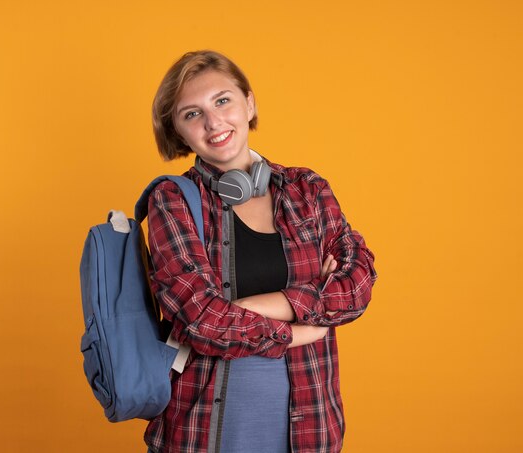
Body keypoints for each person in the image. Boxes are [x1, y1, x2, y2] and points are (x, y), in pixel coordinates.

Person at [144, 50, 377, 453]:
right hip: (202, 434)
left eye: (222, 100)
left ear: (248, 103)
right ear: (179, 132)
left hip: (311, 432)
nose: (214, 122)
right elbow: (202, 321)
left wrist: (262, 306)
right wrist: (303, 329)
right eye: (192, 114)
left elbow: (357, 285)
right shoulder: (172, 201)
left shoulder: (308, 190)